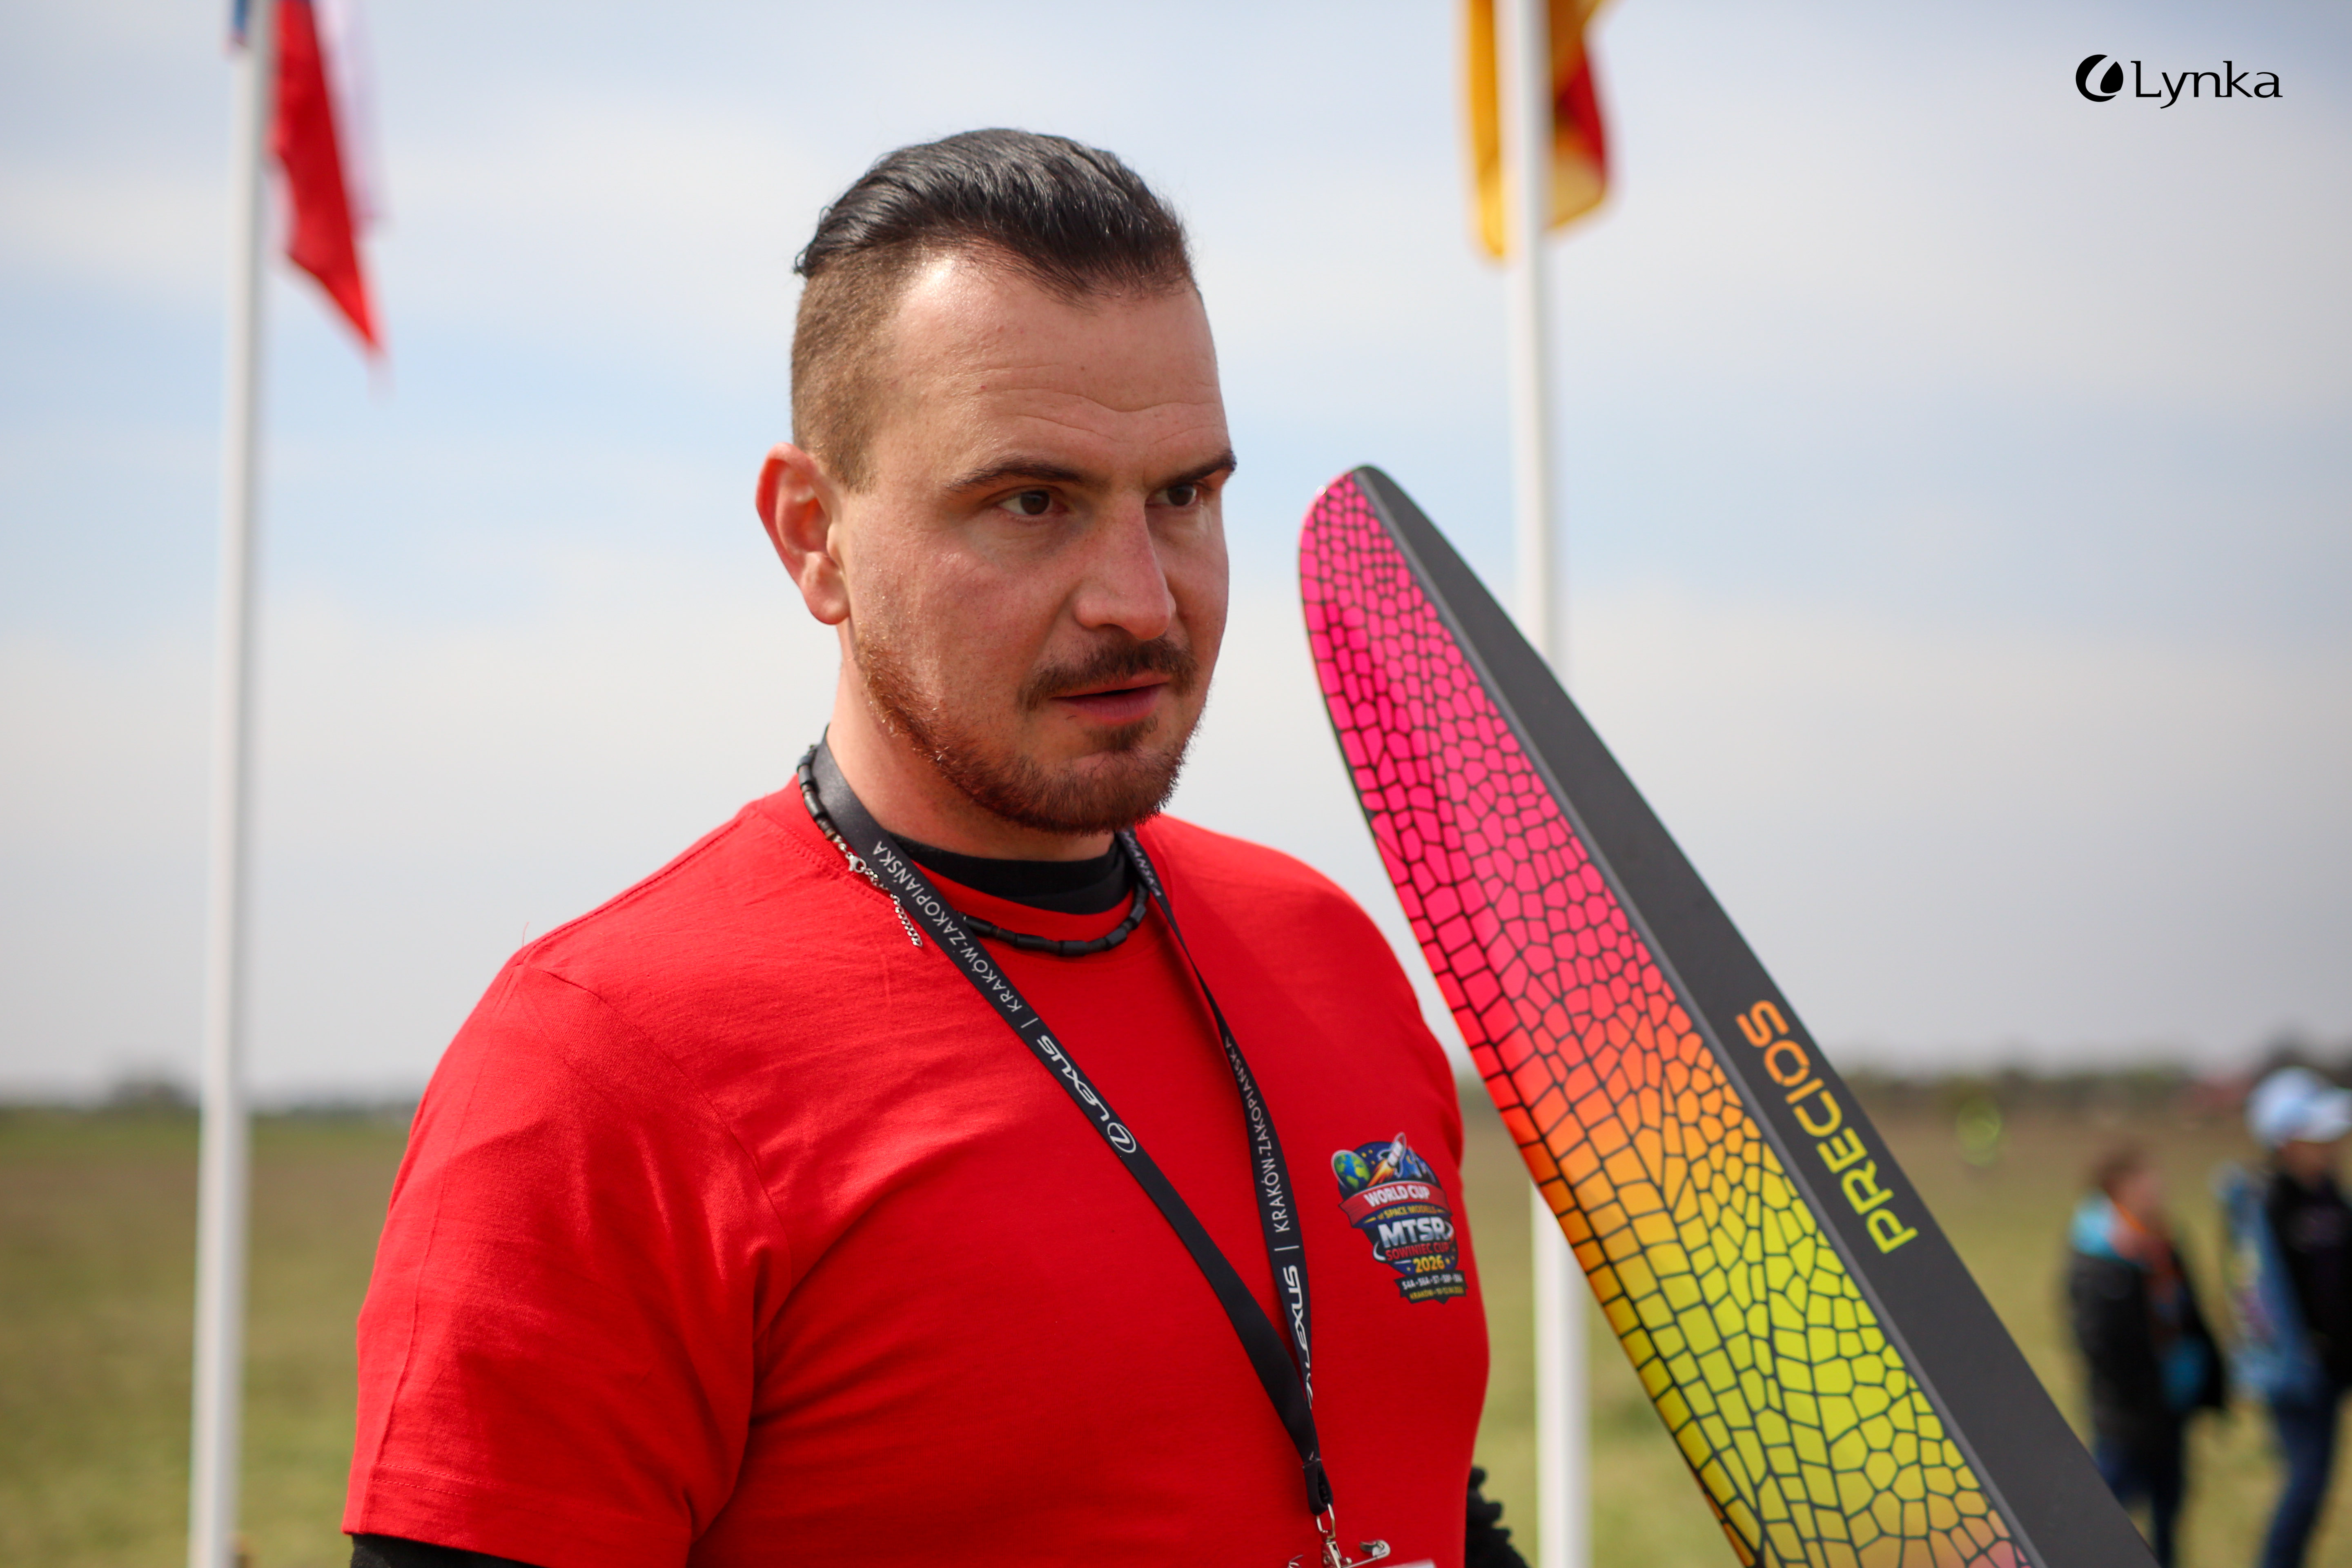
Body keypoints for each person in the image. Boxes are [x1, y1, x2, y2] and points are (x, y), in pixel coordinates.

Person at [340, 131, 1514, 1568]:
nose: (1143, 602)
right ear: (814, 535)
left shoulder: (1326, 954)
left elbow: (1408, 1492)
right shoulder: (604, 1066)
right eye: (1033, 503)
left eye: (1184, 496)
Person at [2065, 1146, 2225, 1565]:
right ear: (2116, 1188)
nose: (2155, 1188)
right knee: (2110, 1508)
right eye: (2143, 1180)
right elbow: (2096, 1338)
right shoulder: (2099, 1251)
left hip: (2172, 1398)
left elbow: (2188, 1310)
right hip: (2127, 1412)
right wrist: (2131, 1394)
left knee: (2170, 1506)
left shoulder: (2163, 1239)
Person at [2227, 1066, 2352, 1568]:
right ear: (2285, 1142)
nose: (2332, 1145)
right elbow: (2259, 1297)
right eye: (2317, 1136)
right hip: (2296, 1372)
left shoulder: (2331, 1194)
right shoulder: (2267, 1204)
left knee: (2316, 1485)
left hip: (2335, 1364)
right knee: (2305, 1481)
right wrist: (2289, 1359)